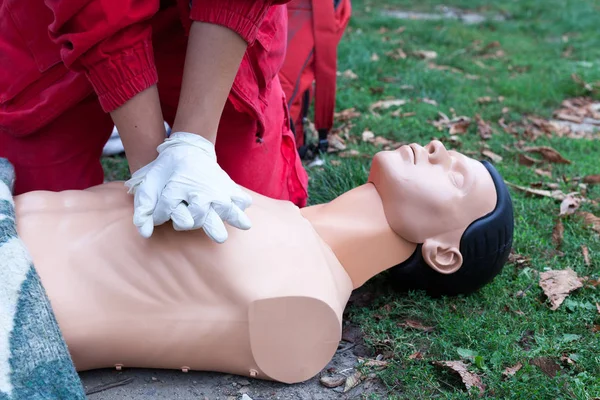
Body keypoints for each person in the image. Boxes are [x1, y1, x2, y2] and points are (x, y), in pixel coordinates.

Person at [11, 140, 514, 384]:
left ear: (444, 254)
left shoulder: (307, 311)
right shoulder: (281, 213)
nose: (437, 147)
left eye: (455, 178)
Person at [0, 0, 308, 243]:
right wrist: (149, 172)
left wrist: (194, 145)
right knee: (36, 231)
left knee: (262, 225)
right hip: (56, 29)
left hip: (211, 33)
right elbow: (98, 10)